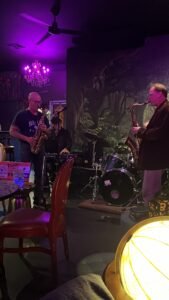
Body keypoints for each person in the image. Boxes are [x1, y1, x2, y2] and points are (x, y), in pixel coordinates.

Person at [9, 92, 49, 208]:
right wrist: (27, 138)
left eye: (39, 102)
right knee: (22, 173)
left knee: (39, 174)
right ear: (30, 101)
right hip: (26, 146)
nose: (38, 104)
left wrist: (45, 130)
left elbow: (48, 134)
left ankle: (38, 199)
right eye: (36, 102)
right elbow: (12, 131)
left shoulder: (42, 116)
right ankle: (19, 198)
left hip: (39, 146)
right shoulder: (21, 115)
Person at [132, 82, 169, 206]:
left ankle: (149, 217)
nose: (149, 98)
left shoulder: (166, 109)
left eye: (151, 94)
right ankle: (150, 213)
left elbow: (159, 133)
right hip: (154, 158)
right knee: (150, 191)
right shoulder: (162, 108)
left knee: (149, 192)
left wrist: (141, 131)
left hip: (155, 158)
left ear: (160, 94)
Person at [44, 115, 72, 182]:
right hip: (51, 155)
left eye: (58, 124)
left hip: (62, 155)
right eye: (55, 124)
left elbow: (69, 143)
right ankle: (47, 182)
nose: (56, 126)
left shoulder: (65, 132)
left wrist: (66, 149)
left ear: (60, 123)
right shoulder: (50, 132)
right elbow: (46, 144)